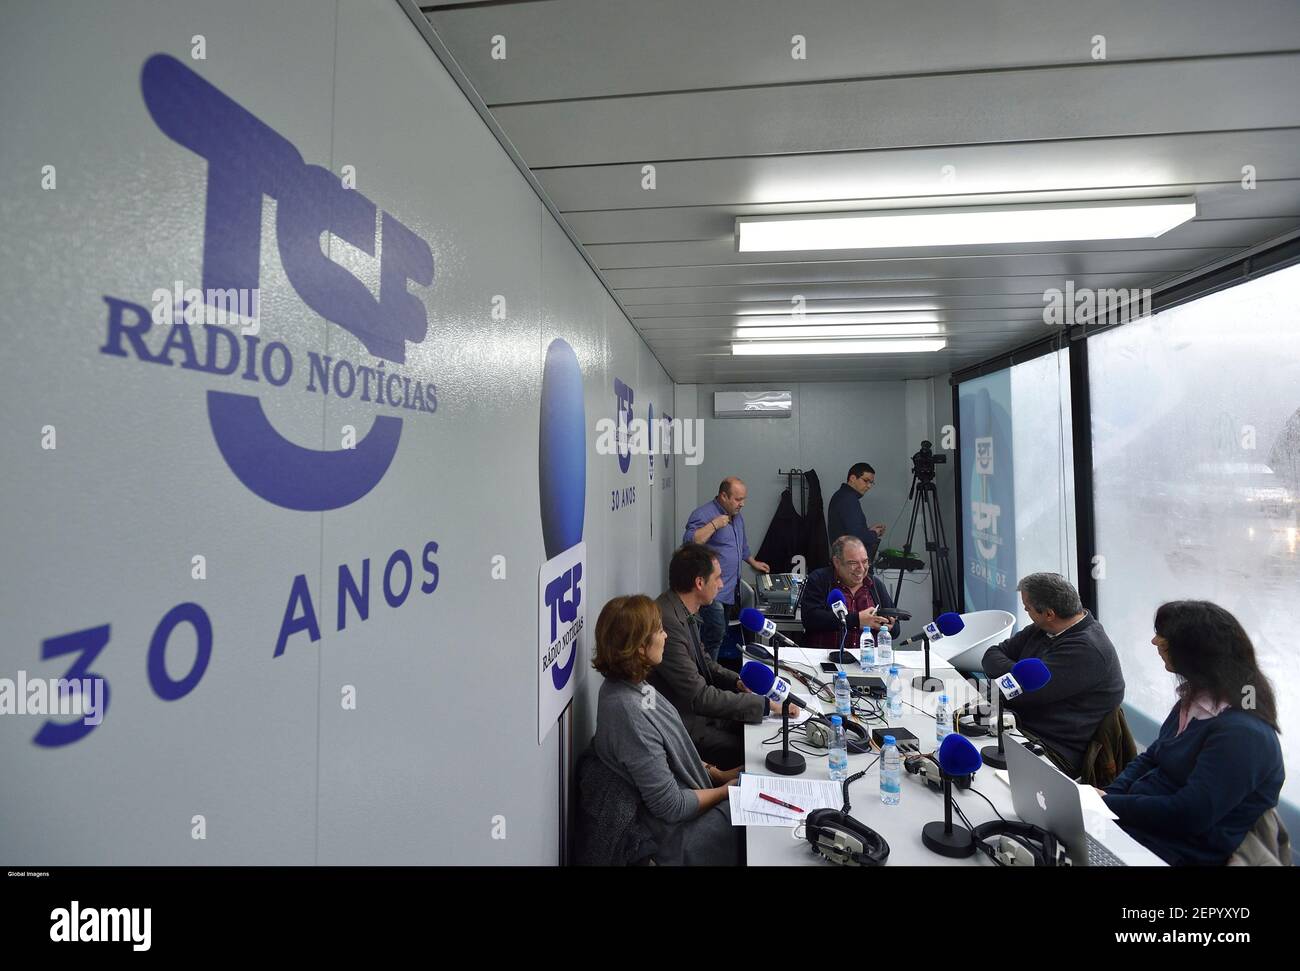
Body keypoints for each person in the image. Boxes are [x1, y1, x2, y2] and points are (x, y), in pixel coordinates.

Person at [1099, 601, 1284, 866]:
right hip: (1139, 829)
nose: (1154, 641)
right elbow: (1152, 756)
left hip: (1172, 851)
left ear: (1195, 654)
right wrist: (1105, 797)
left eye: (1163, 639)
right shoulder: (1195, 699)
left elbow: (1190, 814)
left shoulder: (1243, 734)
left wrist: (1110, 805)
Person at [591, 594, 743, 866]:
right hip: (679, 836)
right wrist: (726, 791)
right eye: (659, 631)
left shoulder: (634, 683)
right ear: (639, 647)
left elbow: (671, 749)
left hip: (695, 802)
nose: (666, 637)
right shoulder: (628, 711)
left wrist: (719, 774)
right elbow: (671, 806)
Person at [650, 544, 800, 769]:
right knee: (755, 751)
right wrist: (766, 705)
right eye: (717, 578)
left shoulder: (680, 608)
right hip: (686, 726)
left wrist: (738, 682)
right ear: (699, 583)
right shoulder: (668, 623)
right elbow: (699, 697)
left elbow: (705, 662)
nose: (721, 584)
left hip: (700, 714)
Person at [981, 573, 1125, 776]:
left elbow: (1024, 693)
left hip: (1051, 749)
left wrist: (1013, 678)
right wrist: (1017, 674)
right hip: (1016, 725)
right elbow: (991, 655)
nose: (1026, 611)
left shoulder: (1088, 649)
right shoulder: (1044, 628)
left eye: (1028, 608)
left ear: (1049, 613)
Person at [683, 477, 770, 661]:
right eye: (738, 499)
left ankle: (710, 672)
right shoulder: (703, 514)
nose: (742, 504)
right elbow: (690, 543)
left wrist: (752, 561)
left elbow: (740, 545)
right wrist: (714, 525)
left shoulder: (736, 516)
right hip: (711, 591)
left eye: (744, 499)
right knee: (713, 635)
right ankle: (706, 677)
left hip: (730, 588)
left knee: (719, 635)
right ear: (723, 496)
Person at [801, 536, 901, 651]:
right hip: (825, 661)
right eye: (853, 563)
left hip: (867, 662)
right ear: (837, 562)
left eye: (865, 562)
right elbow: (810, 619)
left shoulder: (875, 585)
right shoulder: (820, 579)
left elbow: (896, 630)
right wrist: (857, 620)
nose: (861, 569)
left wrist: (888, 626)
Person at [826, 463, 886, 559]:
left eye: (871, 483)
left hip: (843, 560)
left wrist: (868, 531)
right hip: (850, 563)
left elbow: (848, 531)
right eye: (866, 481)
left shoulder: (841, 495)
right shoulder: (849, 499)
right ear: (853, 478)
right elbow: (857, 537)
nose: (869, 486)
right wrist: (875, 533)